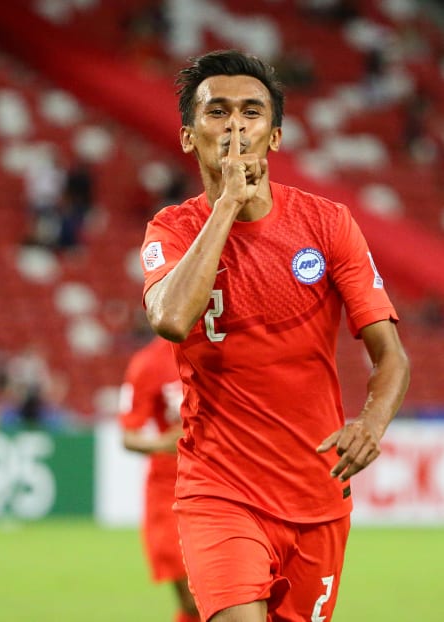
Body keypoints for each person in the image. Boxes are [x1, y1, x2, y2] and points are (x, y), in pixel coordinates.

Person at [139, 49, 410, 621]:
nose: (235, 124)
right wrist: (228, 204)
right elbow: (169, 319)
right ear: (189, 137)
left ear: (276, 135)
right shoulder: (171, 228)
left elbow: (392, 358)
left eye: (251, 111)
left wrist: (371, 423)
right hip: (219, 491)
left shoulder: (327, 224)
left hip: (316, 496)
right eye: (216, 112)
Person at [117, 336, 200, 622]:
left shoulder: (221, 341)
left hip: (222, 481)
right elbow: (129, 436)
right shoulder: (148, 362)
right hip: (170, 491)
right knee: (193, 599)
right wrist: (166, 442)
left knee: (225, 595)